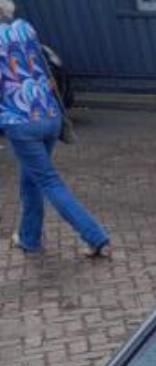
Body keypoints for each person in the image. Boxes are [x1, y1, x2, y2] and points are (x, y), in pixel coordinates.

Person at [0, 0, 109, 257]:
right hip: (49, 115)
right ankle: (29, 238)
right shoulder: (24, 28)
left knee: (48, 181)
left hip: (20, 121)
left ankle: (95, 236)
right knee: (32, 177)